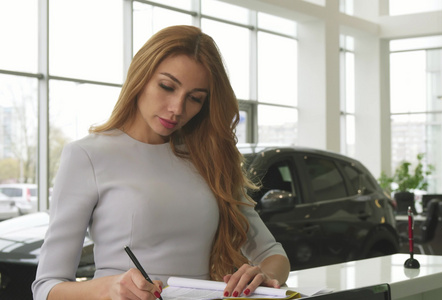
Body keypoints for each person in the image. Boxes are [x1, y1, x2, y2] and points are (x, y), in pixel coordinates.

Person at [32, 25, 290, 300]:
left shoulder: (208, 158)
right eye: (167, 87)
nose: (177, 108)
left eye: (195, 98)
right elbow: (46, 287)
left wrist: (262, 275)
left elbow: (272, 254)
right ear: (141, 76)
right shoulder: (87, 156)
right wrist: (109, 288)